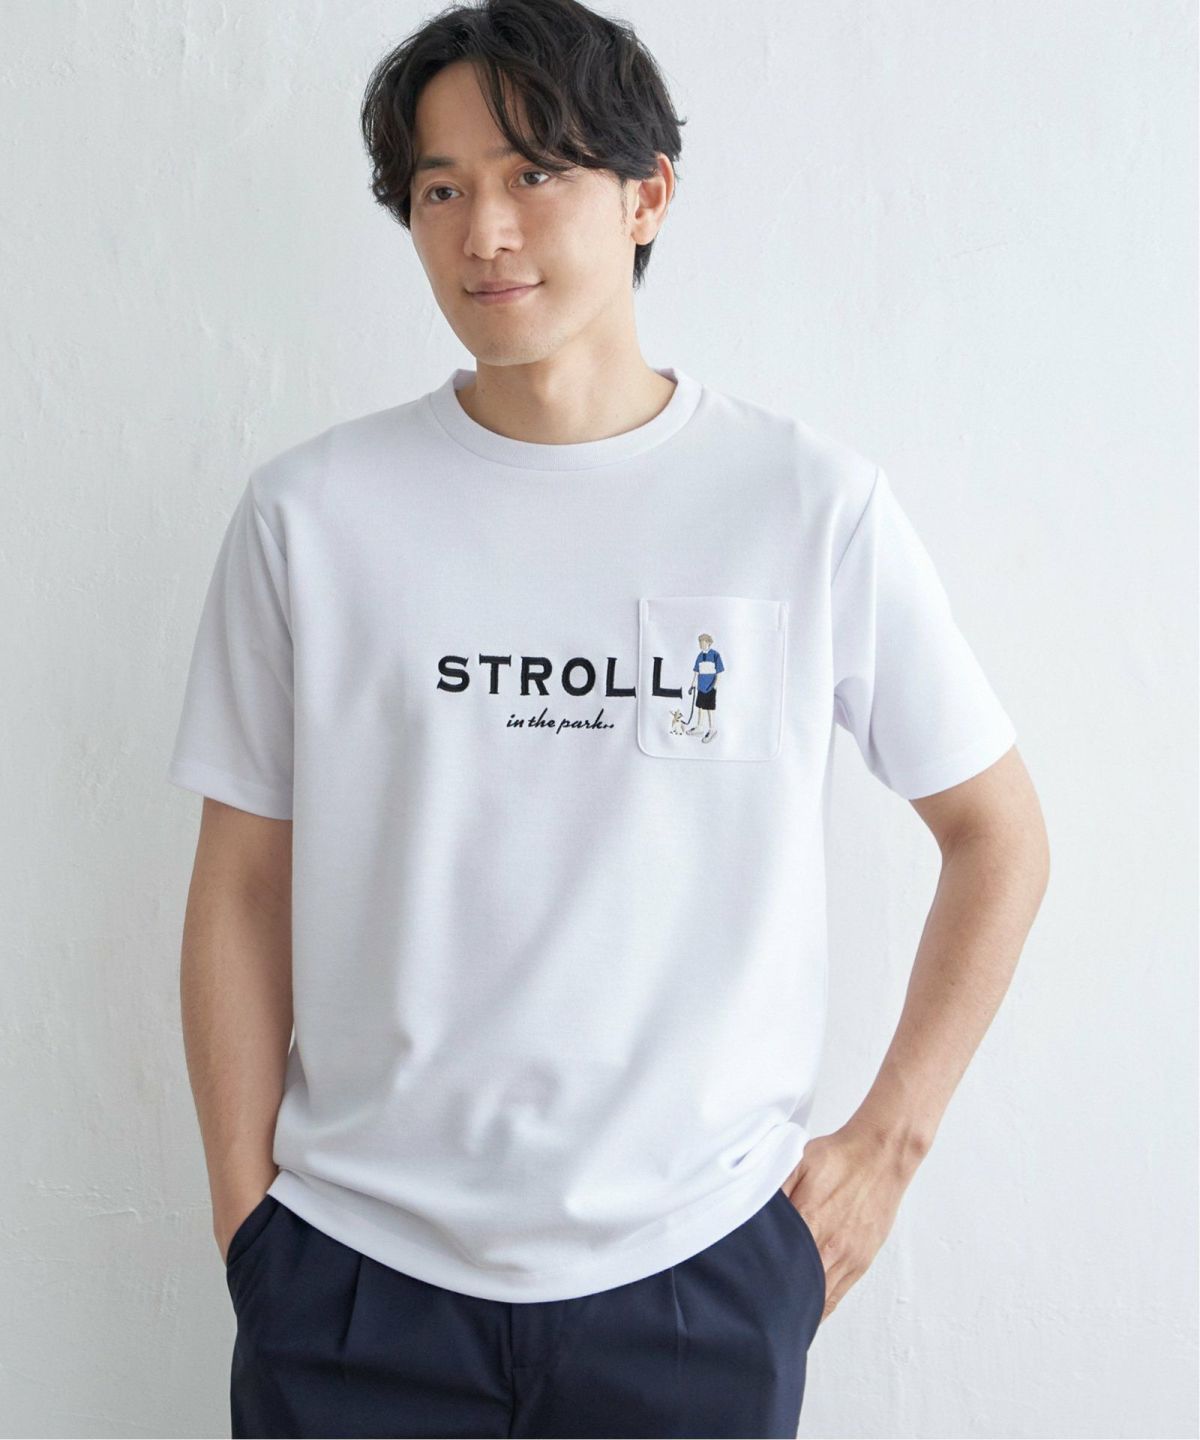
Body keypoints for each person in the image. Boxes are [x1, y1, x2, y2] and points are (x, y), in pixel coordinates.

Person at [166, 1, 1051, 1435]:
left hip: (694, 1274)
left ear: (648, 196)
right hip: (353, 1277)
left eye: (534, 175)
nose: (484, 232)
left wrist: (887, 1147)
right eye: (440, 190)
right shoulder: (311, 516)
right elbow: (242, 884)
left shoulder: (803, 507)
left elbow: (997, 834)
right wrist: (248, 1226)